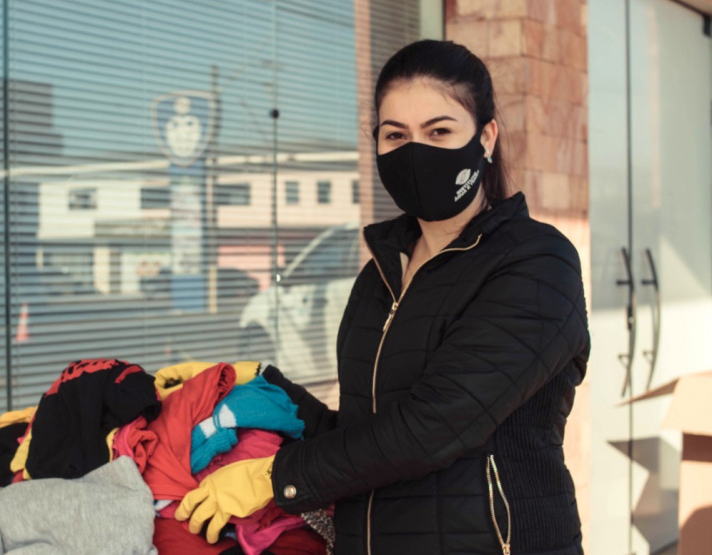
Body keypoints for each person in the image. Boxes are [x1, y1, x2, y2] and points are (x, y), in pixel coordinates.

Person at [174, 39, 590, 555]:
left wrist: (274, 478)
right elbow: (359, 431)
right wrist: (254, 383)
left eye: (439, 131)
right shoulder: (380, 275)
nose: (415, 152)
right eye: (396, 135)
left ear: (485, 138)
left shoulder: (537, 263)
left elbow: (436, 424)